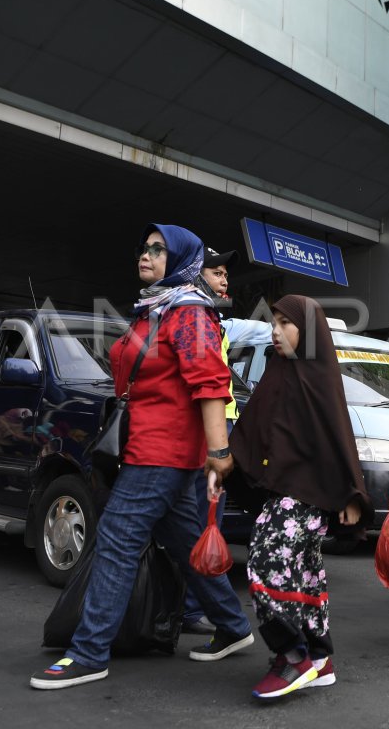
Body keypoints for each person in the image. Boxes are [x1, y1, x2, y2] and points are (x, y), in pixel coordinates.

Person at [29, 224, 253, 690]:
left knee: (115, 540)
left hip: (164, 451)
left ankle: (90, 653)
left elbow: (212, 385)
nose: (145, 256)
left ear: (182, 259)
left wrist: (219, 453)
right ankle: (233, 627)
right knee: (185, 545)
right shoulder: (155, 309)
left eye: (158, 250)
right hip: (149, 446)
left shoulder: (187, 312)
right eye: (143, 248)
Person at [212, 295, 371, 698]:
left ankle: (291, 657)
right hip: (282, 490)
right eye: (273, 322)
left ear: (309, 330)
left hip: (308, 494)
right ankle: (318, 658)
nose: (275, 331)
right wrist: (226, 471)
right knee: (305, 573)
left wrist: (352, 494)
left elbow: (338, 437)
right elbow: (253, 432)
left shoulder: (318, 376)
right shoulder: (278, 374)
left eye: (286, 324)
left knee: (267, 563)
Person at [180, 246, 272, 637]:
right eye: (216, 273)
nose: (224, 280)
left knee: (206, 519)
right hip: (207, 435)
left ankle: (191, 608)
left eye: (224, 274)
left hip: (222, 429)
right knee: (202, 520)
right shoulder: (192, 318)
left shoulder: (213, 321)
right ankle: (191, 610)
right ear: (195, 277)